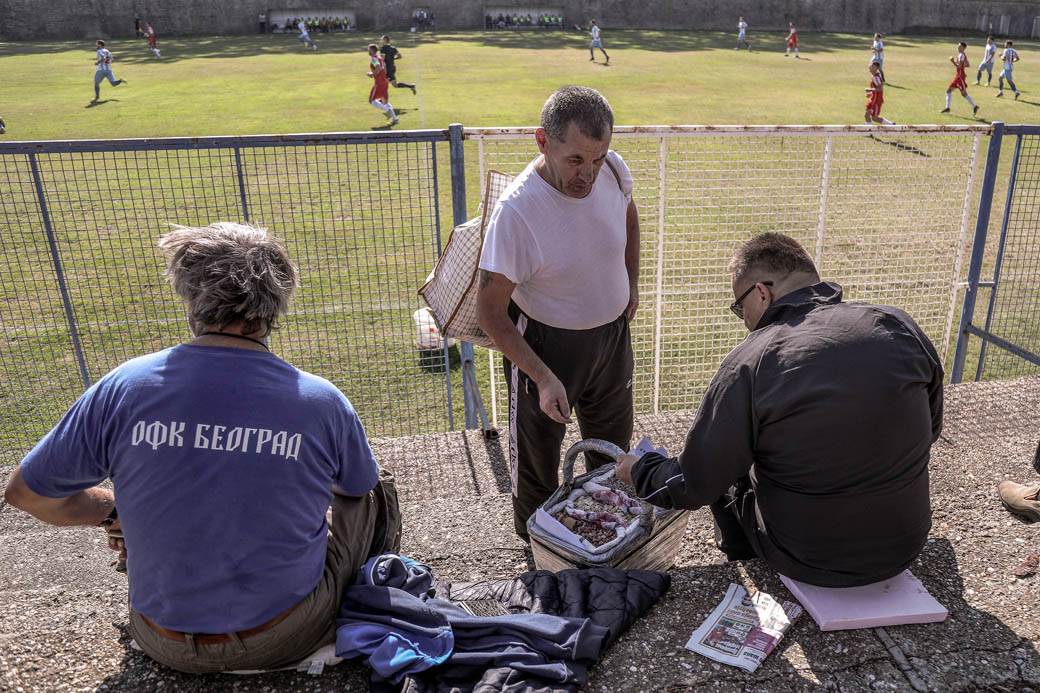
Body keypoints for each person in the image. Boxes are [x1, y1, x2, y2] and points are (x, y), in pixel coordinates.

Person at [2, 222, 402, 673]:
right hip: (284, 636)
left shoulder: (126, 386)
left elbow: (25, 494)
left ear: (190, 295)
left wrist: (114, 513)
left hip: (158, 637)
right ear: (276, 303)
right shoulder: (322, 400)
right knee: (372, 486)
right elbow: (357, 486)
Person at [616, 233, 943, 587]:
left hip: (806, 558)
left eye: (739, 308)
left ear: (761, 293)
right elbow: (932, 428)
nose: (742, 319)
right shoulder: (897, 324)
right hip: (906, 545)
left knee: (731, 463)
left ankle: (748, 567)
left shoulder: (751, 361)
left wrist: (641, 471)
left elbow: (696, 484)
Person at [476, 86, 640, 539]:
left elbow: (628, 214)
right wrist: (543, 376)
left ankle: (607, 537)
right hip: (546, 347)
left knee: (611, 455)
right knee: (538, 465)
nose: (588, 173)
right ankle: (539, 555)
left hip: (610, 341)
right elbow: (490, 312)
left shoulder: (613, 170)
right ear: (542, 141)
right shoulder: (517, 213)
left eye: (598, 157)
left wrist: (633, 280)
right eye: (575, 160)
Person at [942, 42, 979, 116]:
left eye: (960, 47)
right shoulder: (961, 55)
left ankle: (975, 106)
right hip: (958, 76)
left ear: (964, 48)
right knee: (948, 91)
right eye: (958, 46)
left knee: (964, 94)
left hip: (960, 77)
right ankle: (947, 108)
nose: (958, 48)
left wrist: (953, 61)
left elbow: (959, 67)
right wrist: (959, 63)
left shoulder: (962, 55)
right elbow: (968, 64)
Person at [367, 43, 398, 126]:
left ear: (372, 50)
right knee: (384, 101)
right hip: (385, 82)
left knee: (372, 101)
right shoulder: (380, 58)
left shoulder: (374, 58)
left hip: (379, 83)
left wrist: (372, 74)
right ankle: (395, 119)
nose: (368, 51)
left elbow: (378, 67)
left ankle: (388, 112)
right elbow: (384, 69)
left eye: (368, 49)